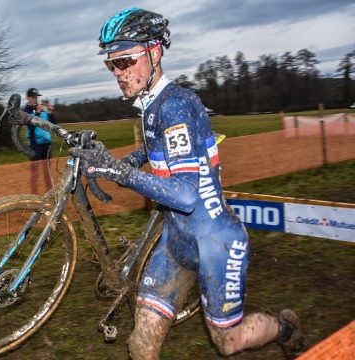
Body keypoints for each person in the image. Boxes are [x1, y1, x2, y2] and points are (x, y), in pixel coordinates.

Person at [69, 8, 307, 359]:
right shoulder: (152, 105)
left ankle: (286, 328)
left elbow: (185, 194)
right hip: (175, 243)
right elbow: (161, 147)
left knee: (228, 342)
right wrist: (130, 160)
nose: (119, 72)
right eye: (112, 65)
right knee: (140, 345)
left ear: (154, 53)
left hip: (216, 244)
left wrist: (118, 173)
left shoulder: (176, 106)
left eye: (125, 62)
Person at [24, 88, 54, 194]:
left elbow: (52, 125)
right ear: (27, 98)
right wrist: (37, 113)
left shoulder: (42, 110)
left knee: (47, 173)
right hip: (35, 145)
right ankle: (34, 197)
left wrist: (50, 113)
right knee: (35, 174)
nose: (35, 99)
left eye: (36, 97)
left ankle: (51, 196)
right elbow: (30, 126)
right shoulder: (26, 110)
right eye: (33, 97)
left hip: (47, 144)